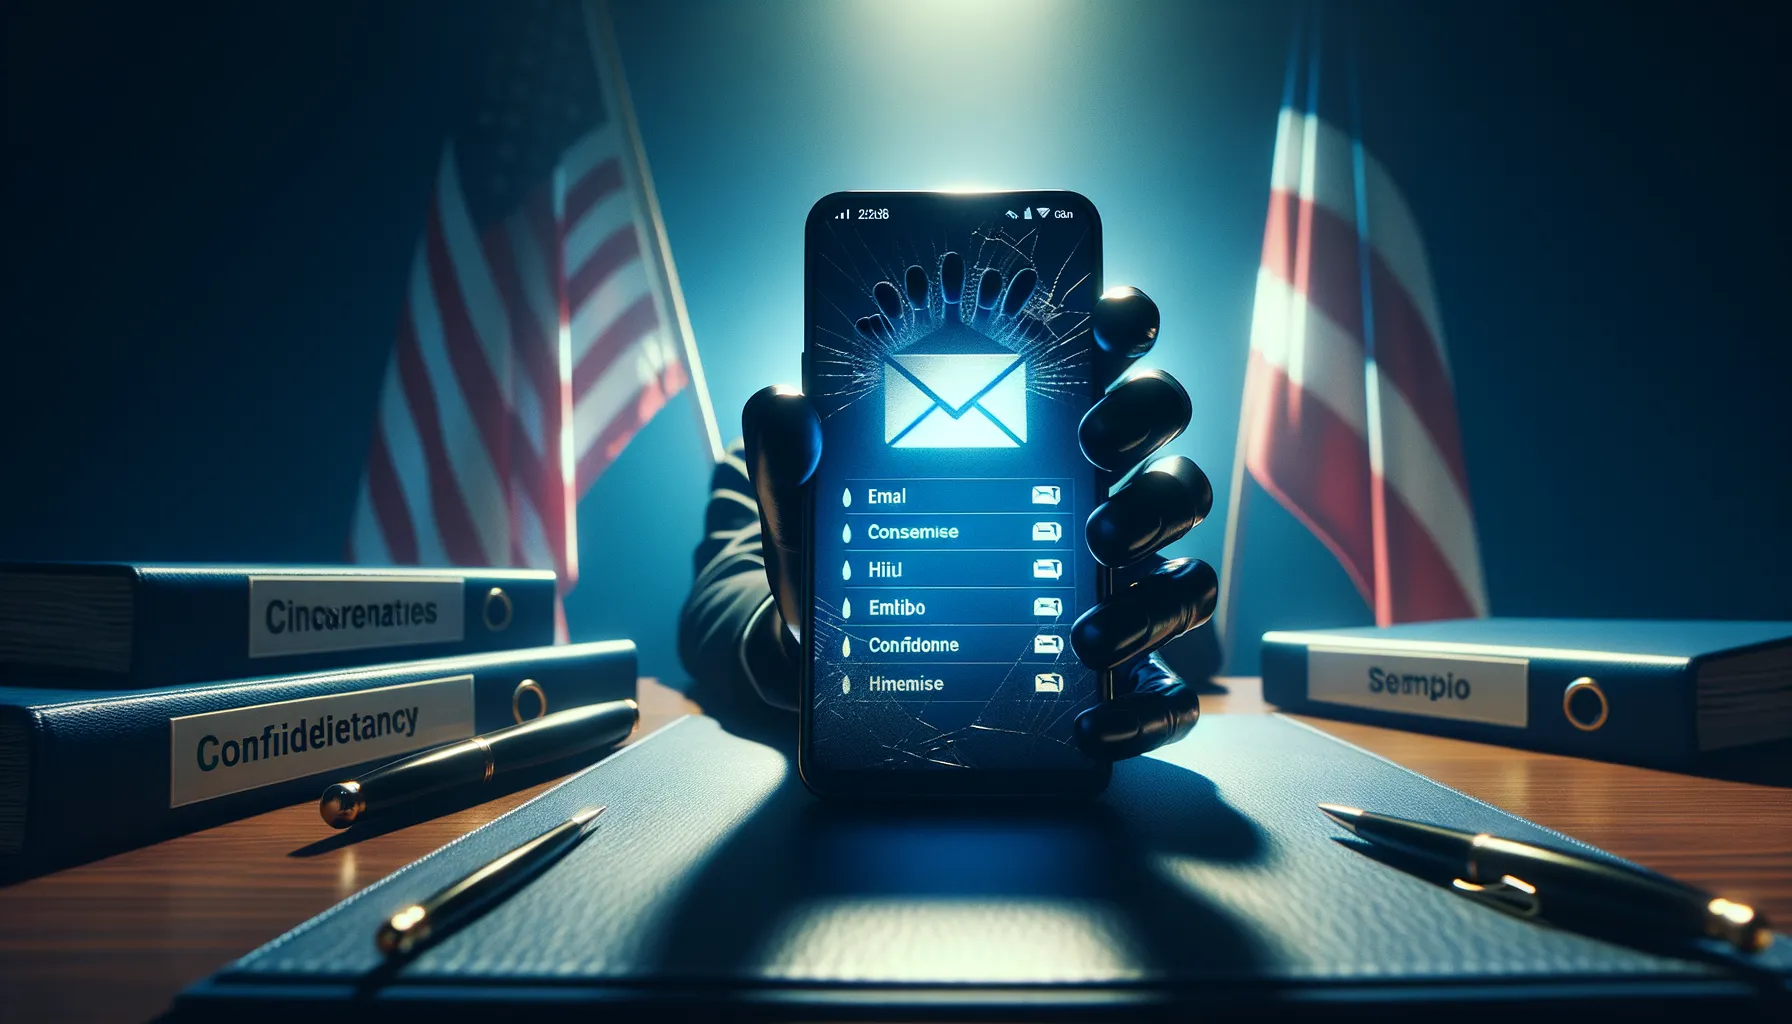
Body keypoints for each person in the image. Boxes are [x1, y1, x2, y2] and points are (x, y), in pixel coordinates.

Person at [677, 286, 1218, 762]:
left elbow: (1190, 635)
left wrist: (1126, 594)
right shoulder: (770, 458)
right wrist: (798, 641)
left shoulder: (1088, 464)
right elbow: (720, 594)